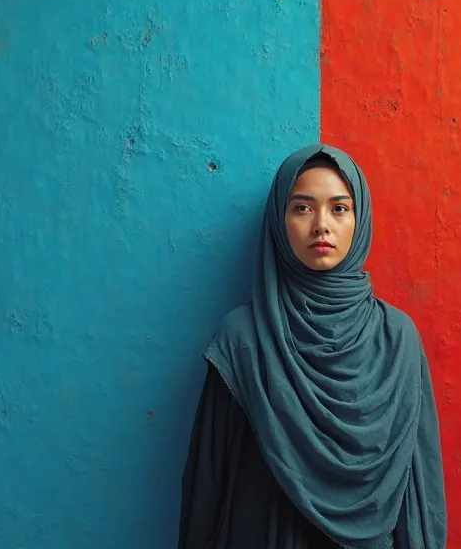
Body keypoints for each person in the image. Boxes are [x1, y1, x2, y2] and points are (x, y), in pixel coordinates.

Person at [177, 144, 447, 549]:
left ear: (361, 220)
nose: (322, 225)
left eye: (340, 208)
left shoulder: (397, 338)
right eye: (302, 208)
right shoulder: (244, 338)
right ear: (279, 222)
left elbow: (420, 483)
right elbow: (209, 482)